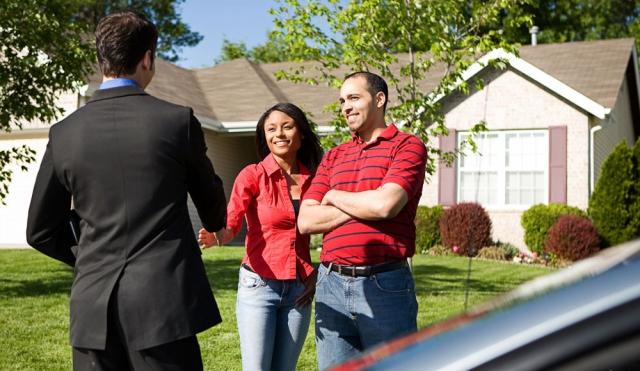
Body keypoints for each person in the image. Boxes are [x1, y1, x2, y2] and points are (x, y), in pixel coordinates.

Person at [26, 11, 227, 371]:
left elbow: (40, 232)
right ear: (148, 58)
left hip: (92, 311)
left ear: (101, 58)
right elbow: (213, 215)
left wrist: (88, 256)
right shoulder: (177, 121)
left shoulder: (64, 132)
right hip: (164, 308)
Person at [297, 71, 428, 370]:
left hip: (385, 284)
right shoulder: (334, 156)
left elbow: (386, 205)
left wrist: (333, 195)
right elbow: (306, 220)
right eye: (342, 101)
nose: (346, 107)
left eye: (354, 98)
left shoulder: (407, 146)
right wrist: (364, 202)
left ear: (379, 99)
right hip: (330, 282)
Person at [198, 103, 323, 371]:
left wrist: (318, 274)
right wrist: (217, 235)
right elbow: (232, 220)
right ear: (264, 137)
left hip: (299, 289)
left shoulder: (315, 181)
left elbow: (333, 229)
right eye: (271, 129)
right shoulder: (253, 175)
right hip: (259, 286)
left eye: (287, 126)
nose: (279, 134)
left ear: (301, 135)